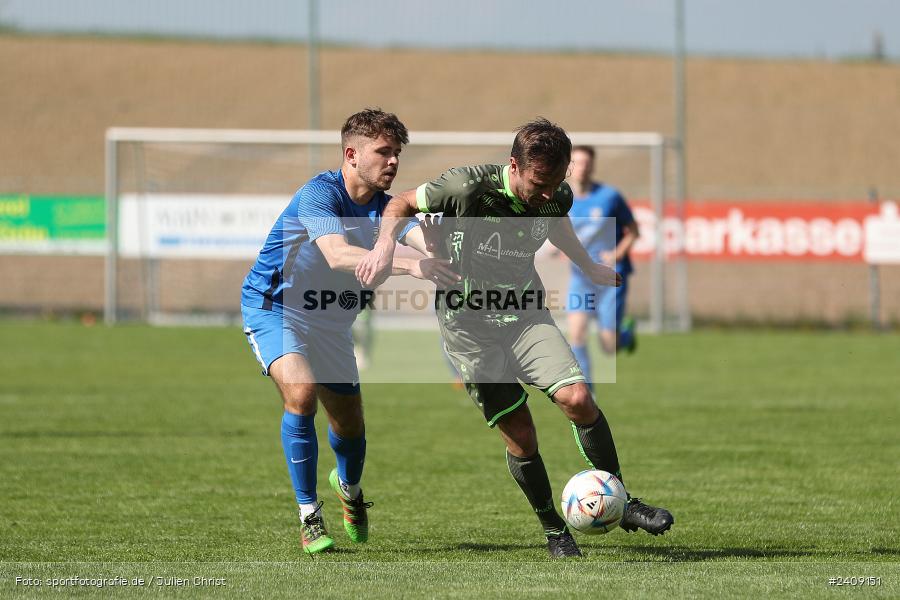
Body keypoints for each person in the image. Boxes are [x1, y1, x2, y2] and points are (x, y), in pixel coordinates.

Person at [356, 118, 673, 558]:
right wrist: (385, 247)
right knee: (521, 435)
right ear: (514, 166)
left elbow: (557, 222)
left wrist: (587, 265)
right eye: (539, 183)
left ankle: (625, 499)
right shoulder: (466, 187)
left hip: (526, 316)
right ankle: (554, 530)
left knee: (579, 399)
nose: (548, 193)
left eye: (556, 182)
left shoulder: (556, 193)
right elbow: (401, 204)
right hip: (469, 329)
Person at [240, 108, 456, 554]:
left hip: (332, 320)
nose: (393, 161)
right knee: (300, 396)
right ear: (351, 154)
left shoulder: (386, 208)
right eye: (383, 152)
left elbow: (423, 240)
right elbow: (339, 254)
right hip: (277, 308)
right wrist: (416, 266)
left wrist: (441, 246)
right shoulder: (318, 195)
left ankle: (351, 492)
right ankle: (309, 517)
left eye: (397, 153)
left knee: (350, 429)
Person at [566, 145, 640, 386]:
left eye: (587, 163)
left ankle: (625, 335)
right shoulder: (561, 200)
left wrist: (616, 254)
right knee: (576, 333)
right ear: (569, 166)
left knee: (608, 346)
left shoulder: (610, 197)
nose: (582, 168)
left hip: (611, 277)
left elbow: (633, 231)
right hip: (580, 277)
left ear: (593, 166)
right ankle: (587, 391)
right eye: (577, 162)